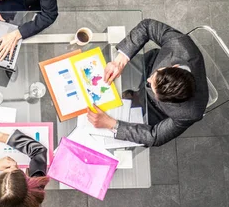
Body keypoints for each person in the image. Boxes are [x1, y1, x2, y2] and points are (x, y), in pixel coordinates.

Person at [87, 19, 208, 147]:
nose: (149, 81)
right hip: (147, 65)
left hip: (154, 111)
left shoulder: (190, 113)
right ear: (175, 66)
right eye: (155, 76)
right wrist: (120, 61)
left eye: (154, 88)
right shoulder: (180, 45)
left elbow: (155, 137)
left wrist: (112, 124)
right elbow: (148, 26)